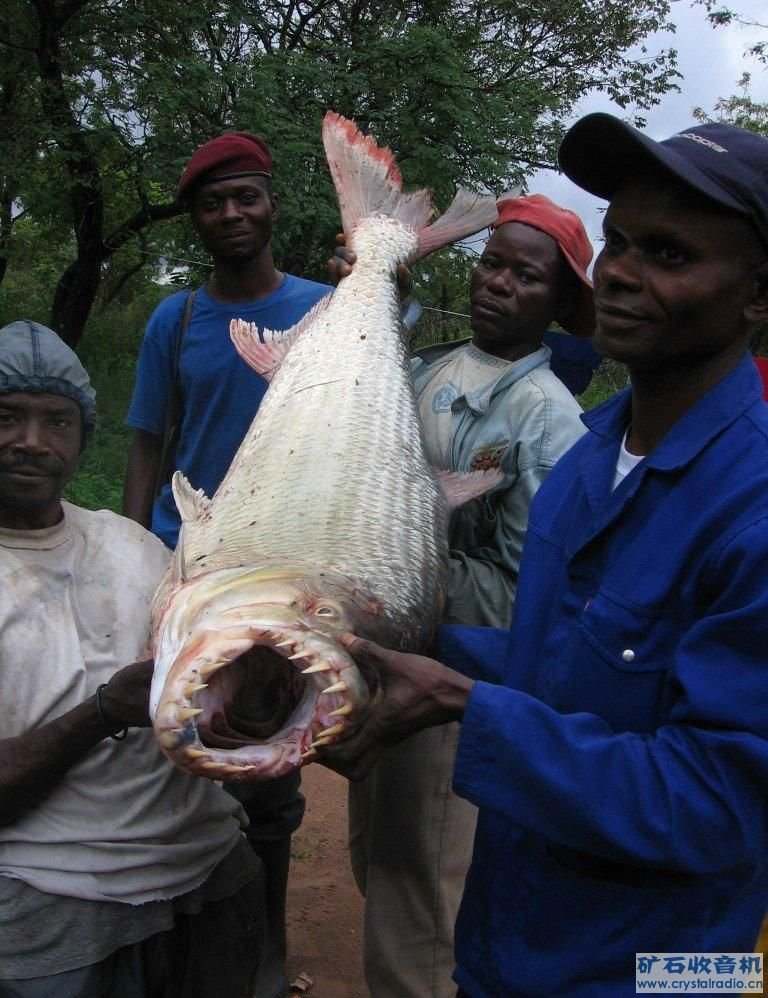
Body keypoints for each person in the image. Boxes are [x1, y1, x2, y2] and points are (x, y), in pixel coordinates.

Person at [320, 115, 768, 996]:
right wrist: (396, 644)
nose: (625, 276)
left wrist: (466, 708)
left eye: (672, 257)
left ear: (758, 295)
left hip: (661, 972)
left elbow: (720, 805)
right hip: (508, 940)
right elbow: (561, 661)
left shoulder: (752, 508)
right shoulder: (591, 459)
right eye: (620, 243)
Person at [348, 195, 592, 997]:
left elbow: (529, 593)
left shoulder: (547, 418)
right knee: (377, 860)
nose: (498, 285)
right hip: (389, 658)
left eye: (527, 277)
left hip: (450, 685)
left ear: (559, 303)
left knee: (422, 893)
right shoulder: (435, 366)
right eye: (493, 264)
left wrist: (399, 565)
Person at [122, 132, 330, 998]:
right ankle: (176, 942)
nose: (232, 214)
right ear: (196, 220)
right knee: (180, 747)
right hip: (195, 564)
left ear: (271, 203)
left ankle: (268, 951)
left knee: (269, 764)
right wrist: (135, 556)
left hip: (283, 571)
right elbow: (145, 447)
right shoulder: (175, 322)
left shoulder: (327, 309)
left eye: (246, 197)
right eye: (214, 203)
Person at [0, 319, 263, 997]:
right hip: (55, 904)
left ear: (82, 439)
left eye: (57, 421)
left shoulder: (134, 546)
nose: (33, 442)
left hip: (211, 877)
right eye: (9, 418)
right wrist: (104, 711)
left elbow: (222, 702)